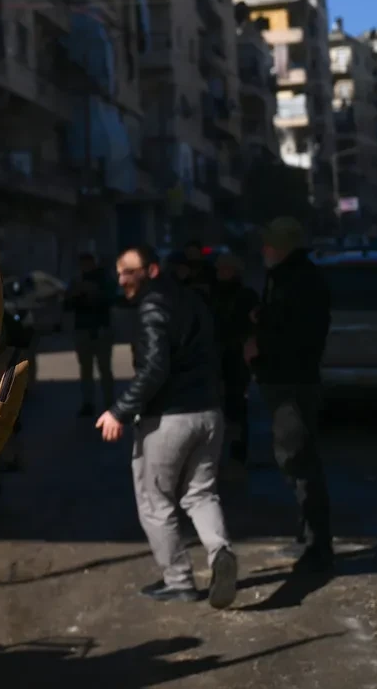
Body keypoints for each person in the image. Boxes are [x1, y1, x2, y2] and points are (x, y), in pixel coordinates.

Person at [97, 244, 237, 609]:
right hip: (209, 413)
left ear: (153, 270)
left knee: (154, 502)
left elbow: (155, 367)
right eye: (119, 272)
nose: (122, 279)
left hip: (170, 419)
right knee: (201, 493)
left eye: (130, 271)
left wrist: (119, 411)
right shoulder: (193, 300)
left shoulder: (153, 305)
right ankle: (220, 550)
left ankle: (178, 581)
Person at [245, 217, 334, 573]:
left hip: (293, 381)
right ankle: (310, 533)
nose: (263, 250)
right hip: (282, 378)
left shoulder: (300, 280)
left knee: (299, 460)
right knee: (293, 459)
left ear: (283, 246)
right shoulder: (282, 276)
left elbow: (300, 334)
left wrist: (259, 344)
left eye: (269, 243)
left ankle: (318, 546)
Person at [209, 253, 258, 469]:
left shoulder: (245, 295)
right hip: (215, 355)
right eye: (220, 269)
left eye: (227, 269)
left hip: (236, 355)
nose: (223, 273)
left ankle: (238, 450)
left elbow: (254, 324)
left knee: (236, 404)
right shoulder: (212, 294)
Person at [65, 251, 115, 417]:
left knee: (104, 368)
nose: (86, 267)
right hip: (83, 329)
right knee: (86, 369)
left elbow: (110, 298)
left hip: (100, 328)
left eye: (88, 263)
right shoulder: (76, 281)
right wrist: (77, 295)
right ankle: (88, 403)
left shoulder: (103, 279)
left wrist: (94, 293)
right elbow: (67, 304)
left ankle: (110, 403)